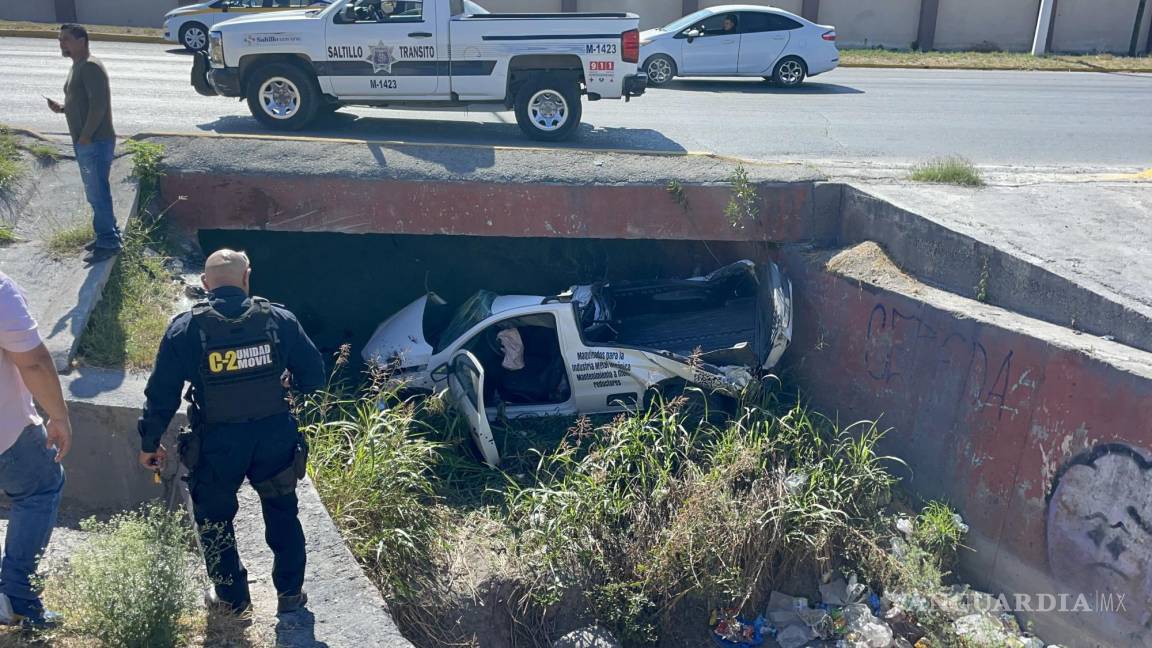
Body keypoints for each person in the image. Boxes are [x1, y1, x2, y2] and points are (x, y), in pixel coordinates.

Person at [137, 249, 325, 616]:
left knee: (214, 518)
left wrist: (149, 442)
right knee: (282, 510)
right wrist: (288, 385)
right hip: (274, 437)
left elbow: (161, 394)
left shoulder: (185, 329)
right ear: (246, 277)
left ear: (206, 284)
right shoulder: (280, 320)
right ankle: (290, 594)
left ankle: (233, 600)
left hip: (218, 442)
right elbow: (314, 374)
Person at [0, 272, 71, 630]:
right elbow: (33, 363)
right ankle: (16, 597)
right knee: (40, 489)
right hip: (6, 434)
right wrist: (58, 416)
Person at [46, 24, 122, 265]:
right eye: (60, 40)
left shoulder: (90, 66)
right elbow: (83, 102)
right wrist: (63, 108)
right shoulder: (77, 66)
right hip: (88, 141)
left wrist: (86, 135)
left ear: (82, 40)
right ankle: (106, 233)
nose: (61, 44)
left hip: (95, 142)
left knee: (97, 193)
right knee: (97, 192)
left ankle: (108, 241)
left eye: (66, 39)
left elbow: (98, 105)